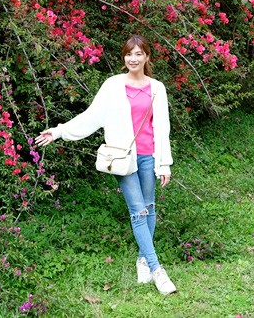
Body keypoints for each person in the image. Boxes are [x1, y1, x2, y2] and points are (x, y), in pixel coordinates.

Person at [37, 34, 177, 295]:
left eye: (138, 54)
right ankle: (158, 271)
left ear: (147, 56)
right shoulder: (113, 85)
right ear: (124, 57)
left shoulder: (157, 88)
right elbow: (91, 116)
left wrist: (164, 163)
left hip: (148, 156)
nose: (133, 59)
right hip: (122, 158)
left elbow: (162, 128)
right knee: (138, 211)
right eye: (128, 54)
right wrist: (58, 131)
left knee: (149, 206)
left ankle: (143, 260)